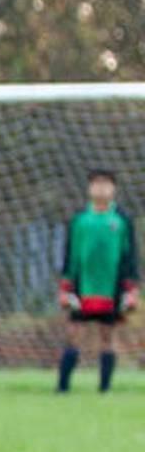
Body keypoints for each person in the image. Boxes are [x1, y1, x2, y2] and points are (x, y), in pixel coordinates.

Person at [55, 168, 138, 392]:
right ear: (89, 189)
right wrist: (65, 287)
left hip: (111, 287)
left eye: (106, 184)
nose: (101, 188)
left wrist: (131, 290)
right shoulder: (80, 220)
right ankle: (62, 387)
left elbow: (130, 257)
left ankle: (105, 388)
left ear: (114, 189)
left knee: (107, 337)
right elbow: (70, 255)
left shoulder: (121, 220)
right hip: (82, 286)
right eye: (96, 184)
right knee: (73, 334)